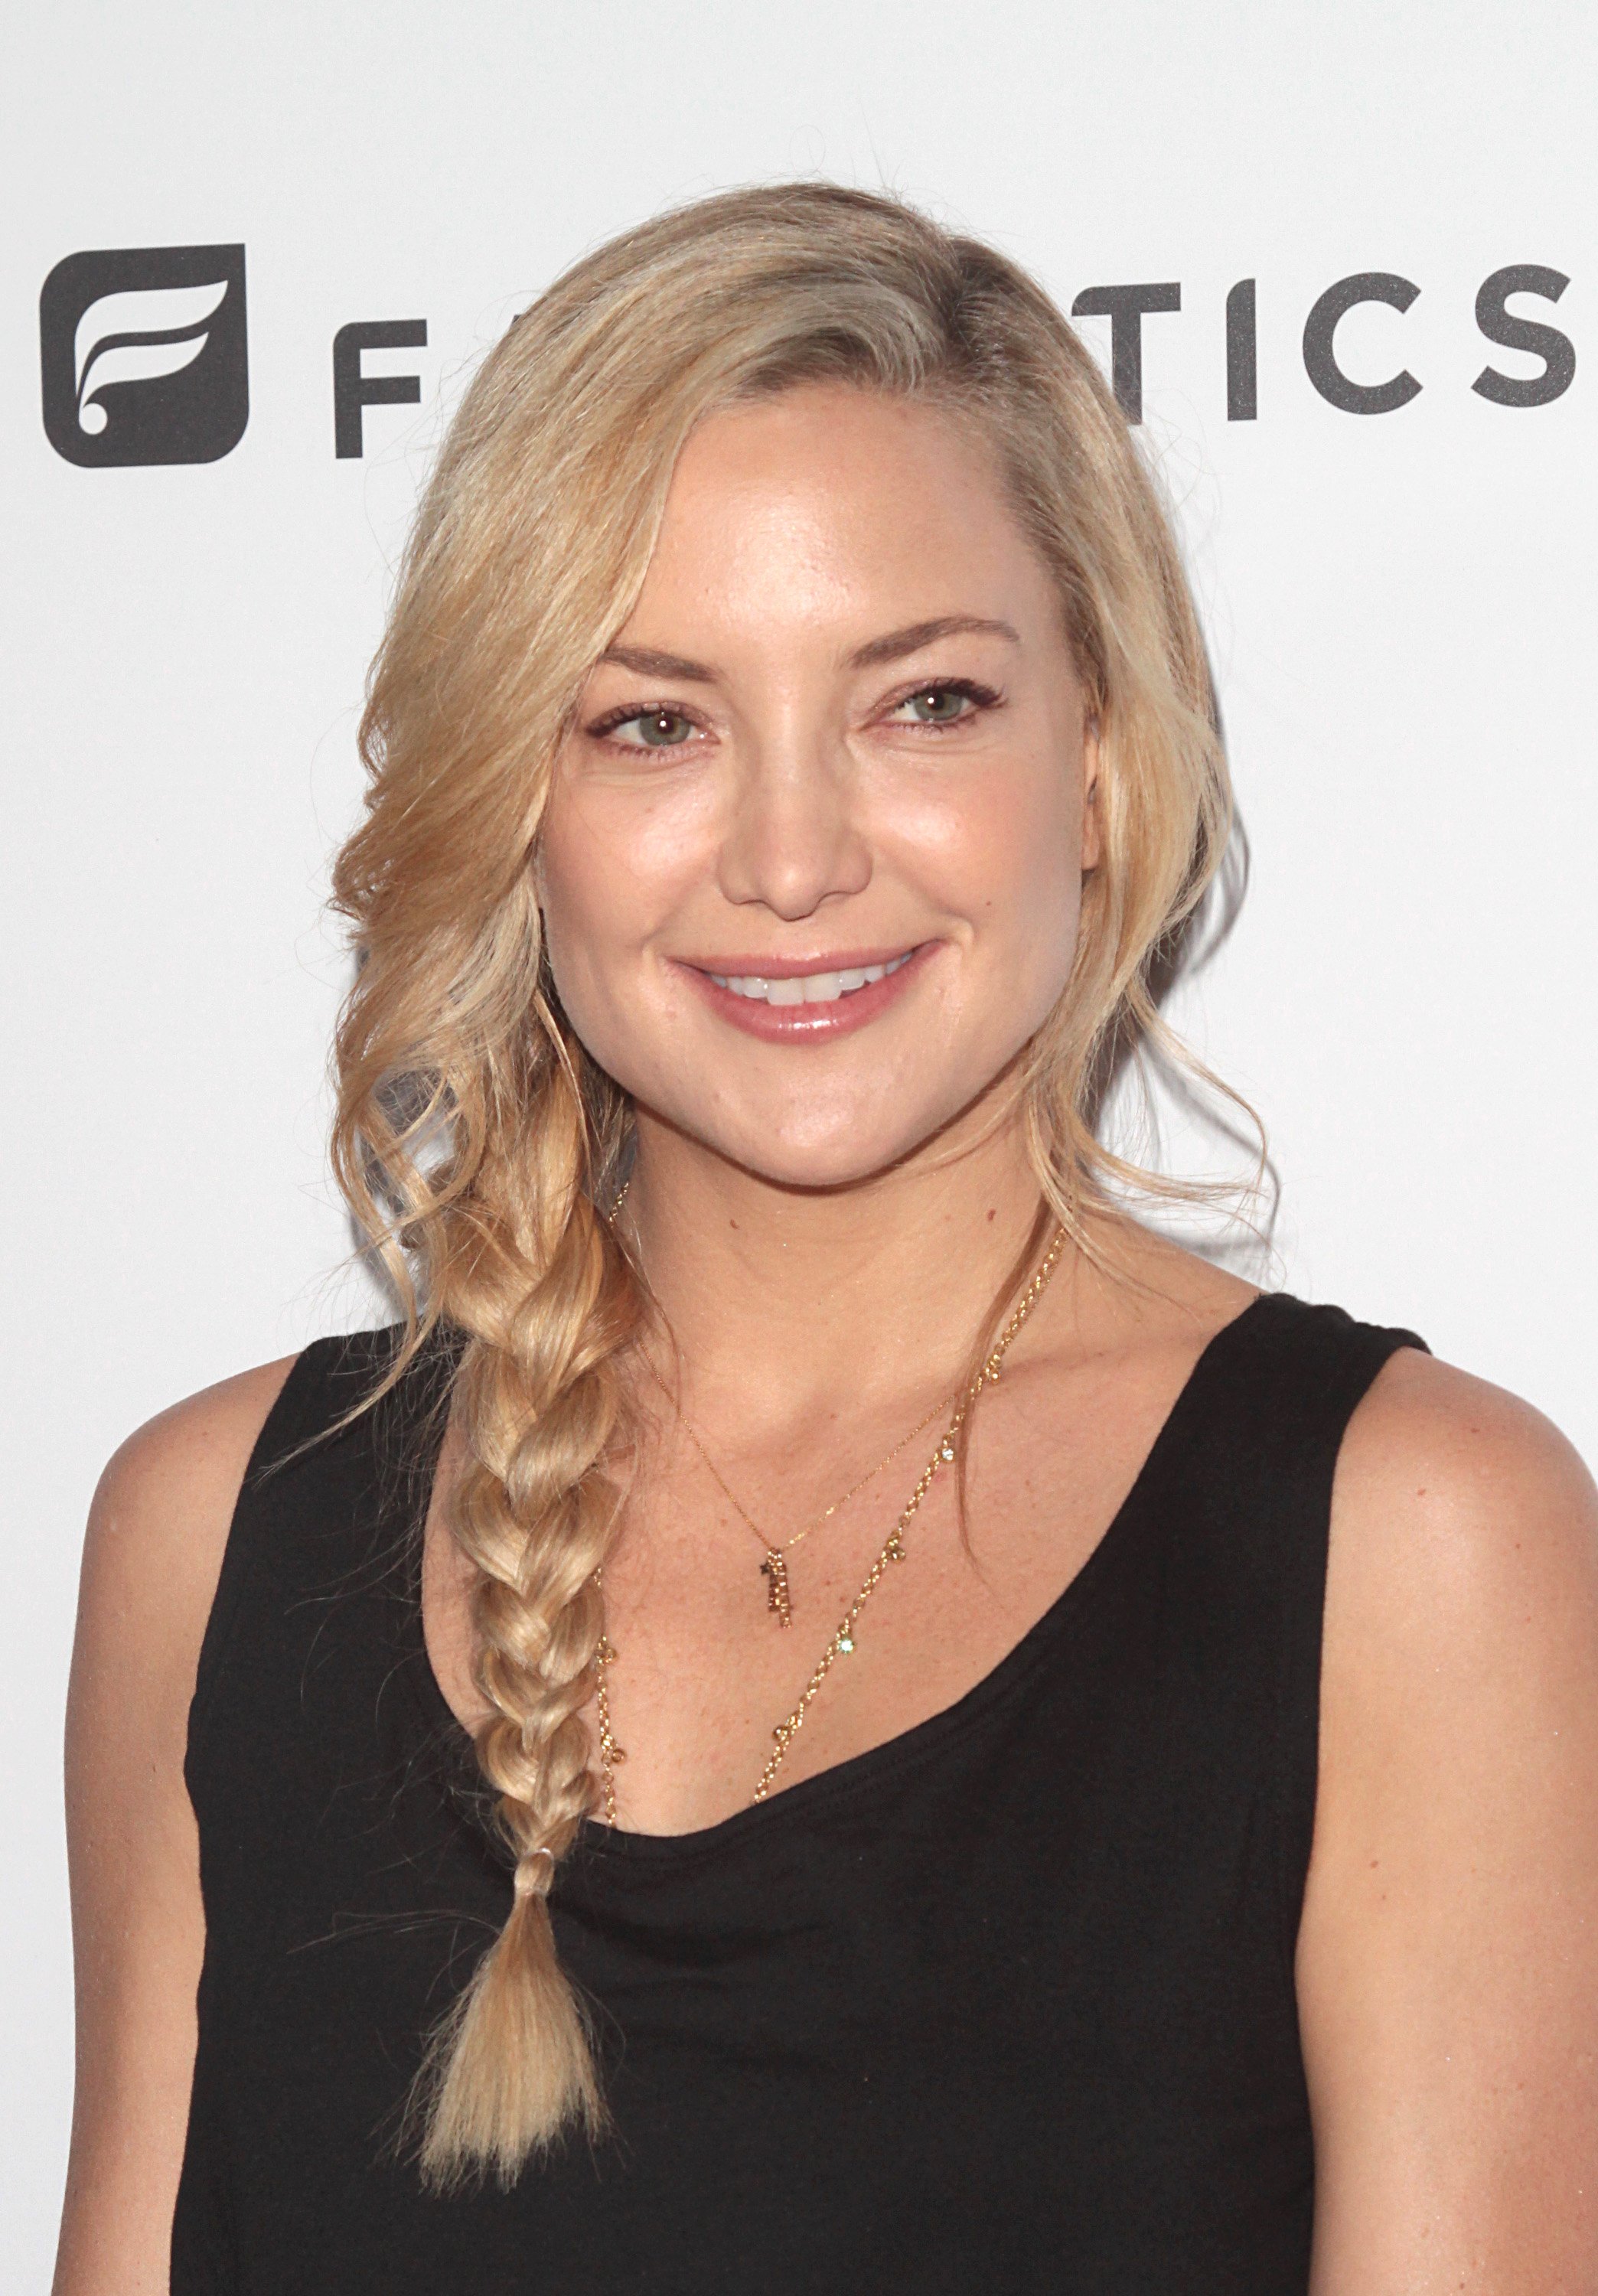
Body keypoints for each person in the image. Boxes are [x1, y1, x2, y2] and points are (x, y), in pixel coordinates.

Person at [54, 184, 1598, 2296]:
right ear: (515, 802)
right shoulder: (214, 1535)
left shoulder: (1414, 1545)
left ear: (1100, 760)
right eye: (653, 722)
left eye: (924, 703)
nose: (792, 859)